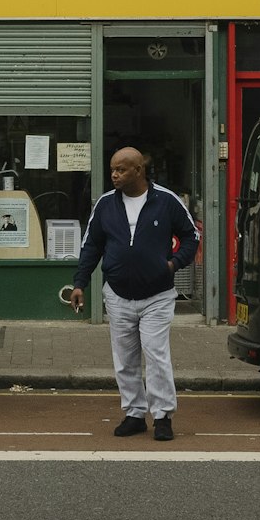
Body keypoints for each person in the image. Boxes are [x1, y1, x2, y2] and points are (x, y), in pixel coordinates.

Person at [63, 144, 198, 441]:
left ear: (139, 170)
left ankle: (162, 417)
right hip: (118, 294)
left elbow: (191, 236)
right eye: (112, 169)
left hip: (157, 295)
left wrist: (174, 264)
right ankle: (135, 414)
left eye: (121, 169)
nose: (114, 175)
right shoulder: (106, 204)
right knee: (124, 359)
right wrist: (80, 283)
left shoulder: (166, 201)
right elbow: (91, 246)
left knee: (156, 355)